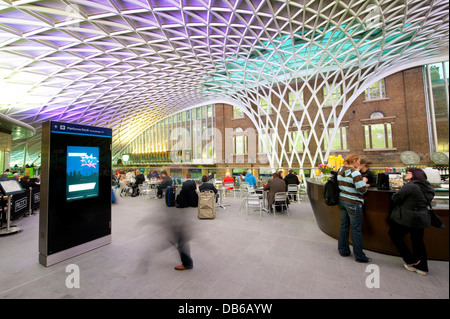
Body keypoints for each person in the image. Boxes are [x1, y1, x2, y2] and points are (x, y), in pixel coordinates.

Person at [388, 168, 435, 276]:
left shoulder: (410, 186)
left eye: (408, 173)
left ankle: (410, 260)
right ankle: (422, 267)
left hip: (409, 217)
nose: (406, 174)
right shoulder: (428, 186)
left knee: (393, 234)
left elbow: (395, 198)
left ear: (414, 175)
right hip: (422, 217)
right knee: (418, 241)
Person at [337, 153, 371, 263]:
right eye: (359, 160)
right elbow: (361, 190)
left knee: (344, 226)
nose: (359, 162)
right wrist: (364, 183)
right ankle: (360, 256)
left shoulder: (340, 170)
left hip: (342, 200)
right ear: (355, 161)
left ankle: (343, 250)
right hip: (353, 202)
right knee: (356, 230)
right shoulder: (355, 173)